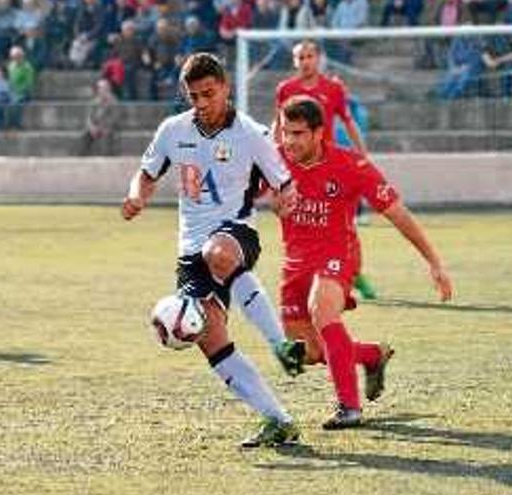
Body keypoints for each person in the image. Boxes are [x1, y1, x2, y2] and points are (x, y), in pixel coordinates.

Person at [121, 53, 303, 447]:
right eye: (193, 96)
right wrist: (136, 196)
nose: (201, 104)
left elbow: (284, 183)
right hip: (190, 249)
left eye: (208, 94)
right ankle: (279, 420)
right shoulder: (174, 130)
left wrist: (285, 199)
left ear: (225, 87)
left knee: (217, 254)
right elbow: (147, 173)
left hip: (236, 234)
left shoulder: (252, 134)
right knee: (210, 338)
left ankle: (281, 345)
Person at [276, 96, 453, 428]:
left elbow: (398, 213)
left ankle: (350, 407)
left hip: (338, 255)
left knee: (322, 309)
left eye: (298, 133)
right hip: (295, 262)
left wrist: (434, 262)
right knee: (311, 353)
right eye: (285, 132)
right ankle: (372, 355)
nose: (290, 141)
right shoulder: (274, 161)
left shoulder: (351, 165)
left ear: (319, 133)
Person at [273, 39, 378, 301]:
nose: (305, 61)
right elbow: (279, 123)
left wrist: (362, 154)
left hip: (331, 168)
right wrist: (272, 155)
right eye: (300, 57)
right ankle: (308, 274)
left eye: (309, 56)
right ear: (294, 61)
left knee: (346, 226)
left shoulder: (333, 88)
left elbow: (348, 121)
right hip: (298, 167)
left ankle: (357, 274)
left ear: (318, 58)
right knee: (301, 221)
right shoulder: (286, 89)